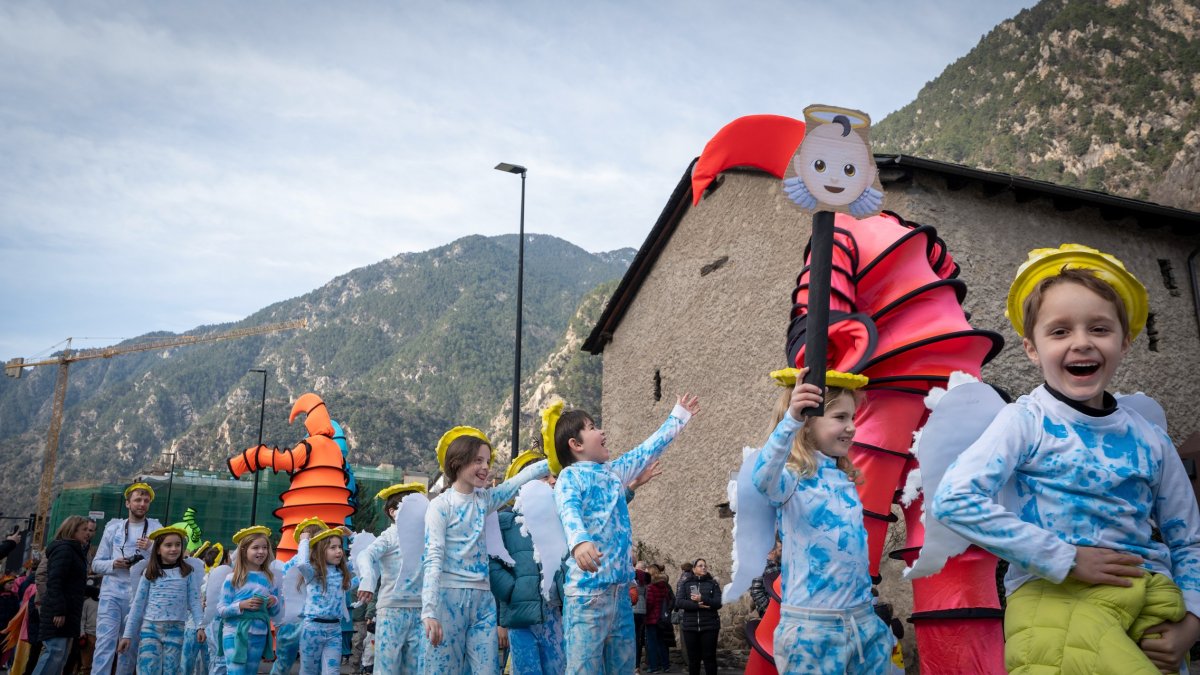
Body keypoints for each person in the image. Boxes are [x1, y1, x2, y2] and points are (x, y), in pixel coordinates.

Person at [932, 245, 1200, 673]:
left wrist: (1192, 622)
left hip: (1147, 604)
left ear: (1124, 341)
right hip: (1051, 597)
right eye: (1059, 331)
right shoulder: (1024, 421)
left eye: (1099, 328)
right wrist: (1066, 558)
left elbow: (1189, 541)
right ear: (1031, 348)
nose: (1081, 342)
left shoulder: (1152, 440)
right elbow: (953, 500)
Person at [751, 368, 895, 673]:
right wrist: (791, 419)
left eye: (853, 417)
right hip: (813, 632)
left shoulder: (843, 477)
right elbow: (762, 478)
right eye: (840, 417)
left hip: (863, 625)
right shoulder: (791, 477)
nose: (852, 427)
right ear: (807, 422)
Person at [551, 393, 700, 674]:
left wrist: (678, 416)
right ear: (576, 444)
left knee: (623, 669)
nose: (601, 431)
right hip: (587, 596)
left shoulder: (613, 473)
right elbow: (568, 509)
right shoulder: (570, 477)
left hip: (620, 594)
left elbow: (647, 449)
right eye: (592, 427)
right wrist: (579, 542)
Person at [421, 426, 549, 674]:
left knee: (487, 669)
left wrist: (555, 459)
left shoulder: (484, 500)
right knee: (442, 669)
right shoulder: (440, 506)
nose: (485, 467)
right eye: (478, 460)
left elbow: (519, 480)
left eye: (487, 461)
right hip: (449, 598)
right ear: (457, 462)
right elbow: (433, 557)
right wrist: (429, 611)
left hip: (483, 600)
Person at [90, 482, 162, 675]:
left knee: (129, 648)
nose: (142, 504)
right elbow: (96, 564)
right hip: (111, 595)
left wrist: (151, 547)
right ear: (128, 503)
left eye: (146, 500)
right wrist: (114, 563)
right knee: (104, 644)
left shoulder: (157, 529)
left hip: (139, 598)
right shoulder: (113, 529)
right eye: (138, 500)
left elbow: (167, 561)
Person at [358, 483, 427, 675]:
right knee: (386, 669)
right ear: (392, 512)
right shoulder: (389, 536)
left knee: (417, 670)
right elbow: (365, 555)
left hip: (421, 610)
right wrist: (368, 580)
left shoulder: (426, 536)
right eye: (408, 507)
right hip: (391, 611)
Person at [117, 527, 204, 674]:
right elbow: (137, 605)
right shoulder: (149, 573)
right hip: (150, 629)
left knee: (171, 670)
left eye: (178, 545)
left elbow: (195, 602)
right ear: (157, 549)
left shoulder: (187, 573)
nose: (174, 549)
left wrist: (200, 626)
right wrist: (127, 635)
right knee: (147, 669)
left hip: (176, 630)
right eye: (168, 545)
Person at [30, 516, 95, 675]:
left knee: (60, 655)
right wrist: (59, 610)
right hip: (59, 612)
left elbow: (71, 583)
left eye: (89, 530)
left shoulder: (74, 550)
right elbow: (55, 581)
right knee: (54, 653)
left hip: (68, 611)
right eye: (84, 529)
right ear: (72, 530)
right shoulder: (65, 550)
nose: (87, 533)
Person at [217, 526, 282, 675]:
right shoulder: (232, 578)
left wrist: (273, 601)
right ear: (243, 550)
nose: (261, 551)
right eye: (255, 547)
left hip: (259, 635)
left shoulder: (271, 579)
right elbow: (221, 610)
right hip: (234, 634)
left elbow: (275, 613)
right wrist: (241, 605)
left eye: (265, 547)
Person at [295, 527, 350, 675]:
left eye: (340, 547)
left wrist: (352, 536)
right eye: (333, 547)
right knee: (308, 672)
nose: (339, 551)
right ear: (320, 550)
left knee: (332, 672)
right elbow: (302, 564)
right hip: (312, 630)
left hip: (334, 631)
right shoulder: (312, 573)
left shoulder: (342, 573)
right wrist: (304, 541)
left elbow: (360, 561)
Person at [674, 559, 721, 675]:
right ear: (694, 569)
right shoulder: (686, 584)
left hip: (709, 626)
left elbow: (718, 603)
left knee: (709, 658)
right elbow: (679, 602)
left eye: (705, 566)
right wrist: (696, 605)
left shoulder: (713, 584)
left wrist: (702, 599)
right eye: (700, 566)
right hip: (690, 626)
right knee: (693, 660)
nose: (703, 567)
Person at [643, 567, 673, 674]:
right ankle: (666, 666)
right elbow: (669, 600)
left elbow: (649, 603)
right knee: (661, 642)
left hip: (651, 619)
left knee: (651, 644)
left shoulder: (651, 587)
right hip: (662, 619)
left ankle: (654, 667)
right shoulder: (664, 586)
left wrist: (645, 613)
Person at [748, 542, 781, 617]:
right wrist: (767, 607)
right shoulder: (759, 566)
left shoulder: (781, 565)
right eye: (780, 550)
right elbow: (756, 591)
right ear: (772, 551)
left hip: (781, 608)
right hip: (769, 612)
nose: (782, 553)